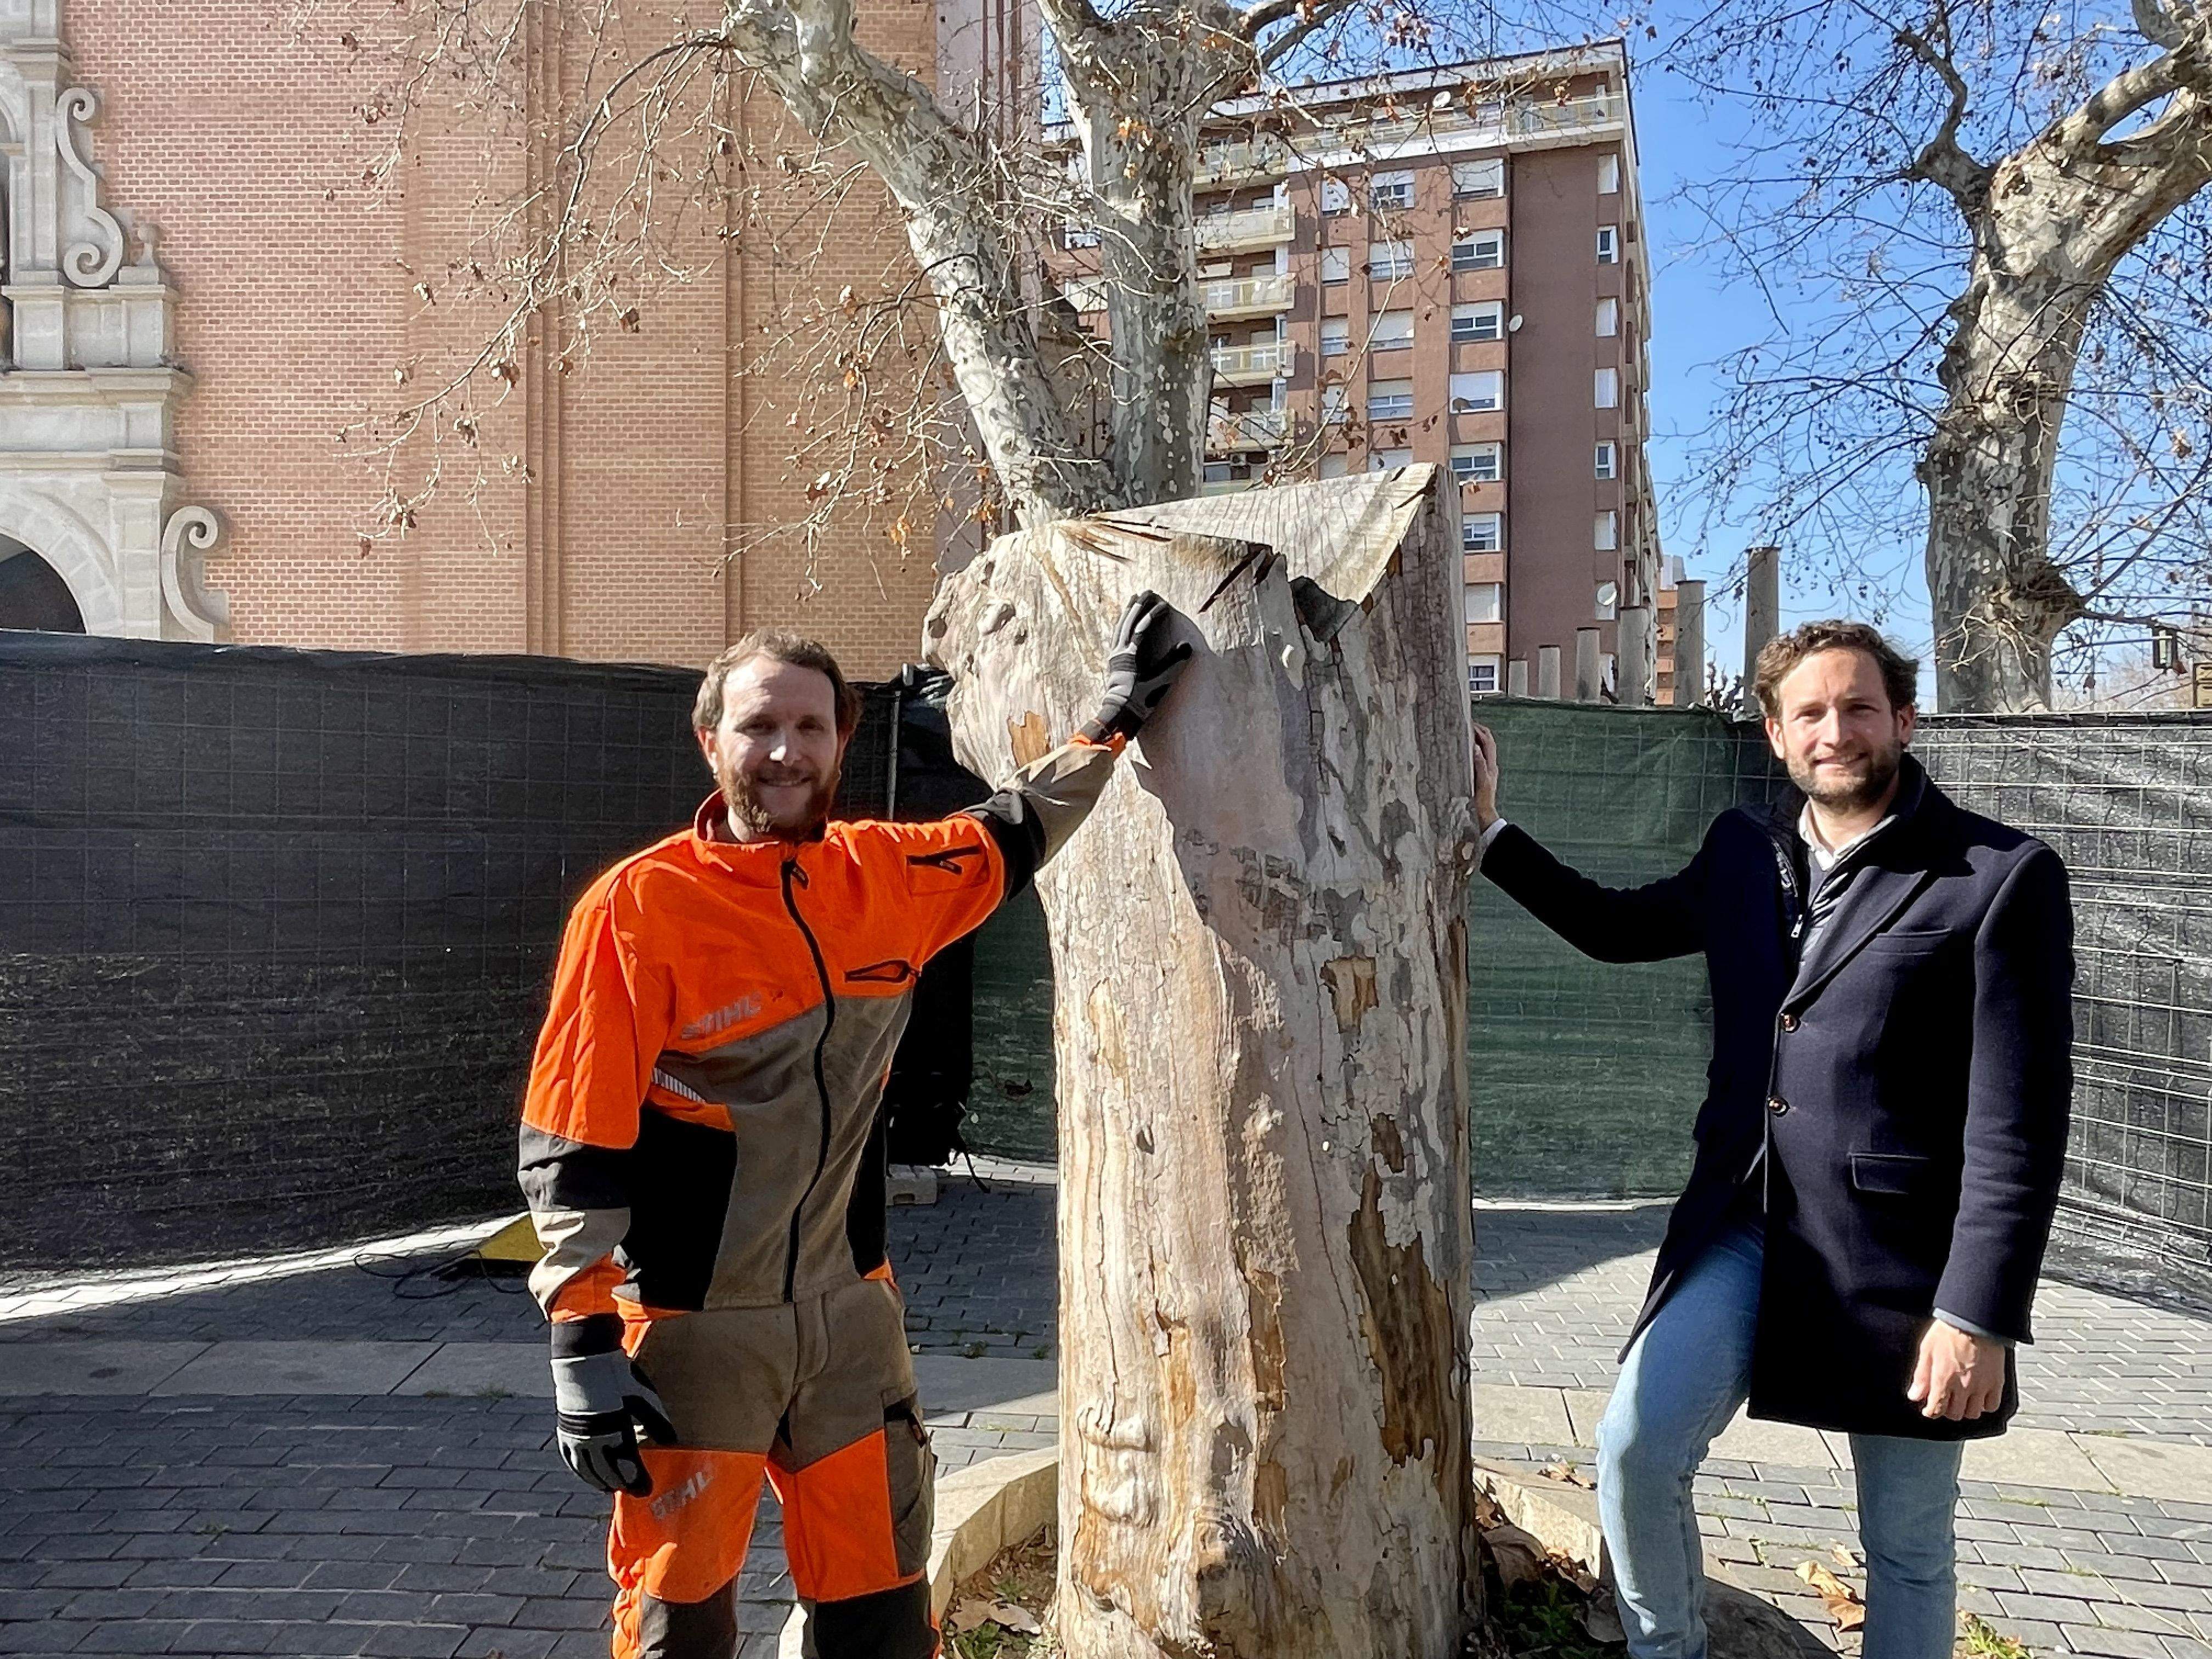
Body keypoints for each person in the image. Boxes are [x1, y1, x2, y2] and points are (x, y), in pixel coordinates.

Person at [518, 594, 1190, 1659]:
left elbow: (1016, 826)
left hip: (852, 1329)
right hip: (697, 1334)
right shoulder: (638, 908)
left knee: (880, 1614)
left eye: (809, 727)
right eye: (757, 726)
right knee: (675, 1625)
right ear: (711, 742)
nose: (783, 751)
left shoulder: (890, 877)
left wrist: (1112, 718)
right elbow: (572, 1134)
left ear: (843, 739)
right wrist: (581, 1344)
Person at [1471, 620, 2073, 1659]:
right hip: (1745, 1229)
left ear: (1903, 721)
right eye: (1811, 713)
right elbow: (1617, 928)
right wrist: (1491, 835)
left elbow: (2019, 1124)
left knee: (1908, 1544)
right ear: (1775, 734)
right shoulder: (1744, 852)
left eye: (1858, 708)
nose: (1835, 730)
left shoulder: (1998, 877)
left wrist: (1977, 1315)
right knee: (1634, 1449)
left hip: (1906, 1267)